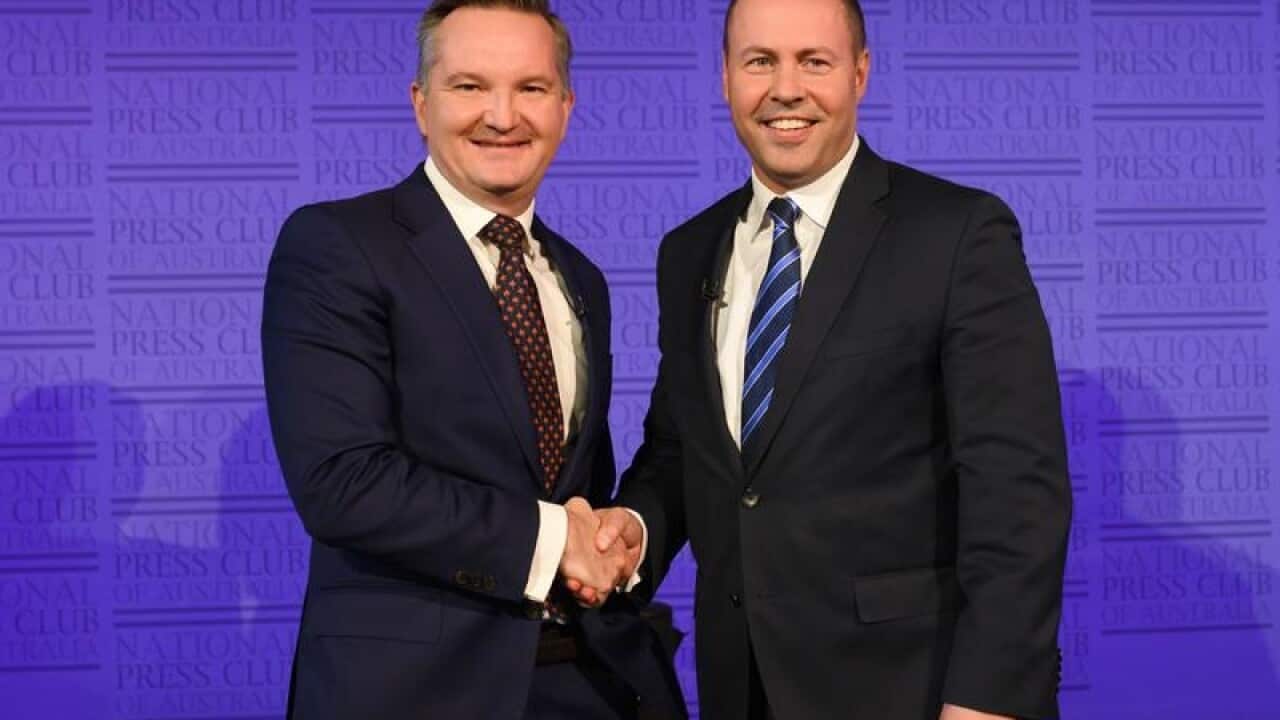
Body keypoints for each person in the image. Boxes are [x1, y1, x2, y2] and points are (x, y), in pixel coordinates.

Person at [584, 0, 1072, 718]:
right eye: (760, 62)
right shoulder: (687, 250)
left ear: (861, 73)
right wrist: (638, 528)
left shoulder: (957, 234)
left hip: (914, 690)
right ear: (724, 77)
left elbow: (1018, 495)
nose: (786, 89)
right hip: (738, 686)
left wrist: (988, 699)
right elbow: (684, 452)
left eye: (814, 61)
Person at [261, 1, 682, 717]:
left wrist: (614, 535)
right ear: (421, 104)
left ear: (566, 107)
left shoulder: (579, 277)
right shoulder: (338, 245)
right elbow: (343, 482)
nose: (502, 114)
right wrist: (554, 540)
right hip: (415, 692)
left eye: (531, 88)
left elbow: (579, 483)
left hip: (591, 681)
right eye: (469, 87)